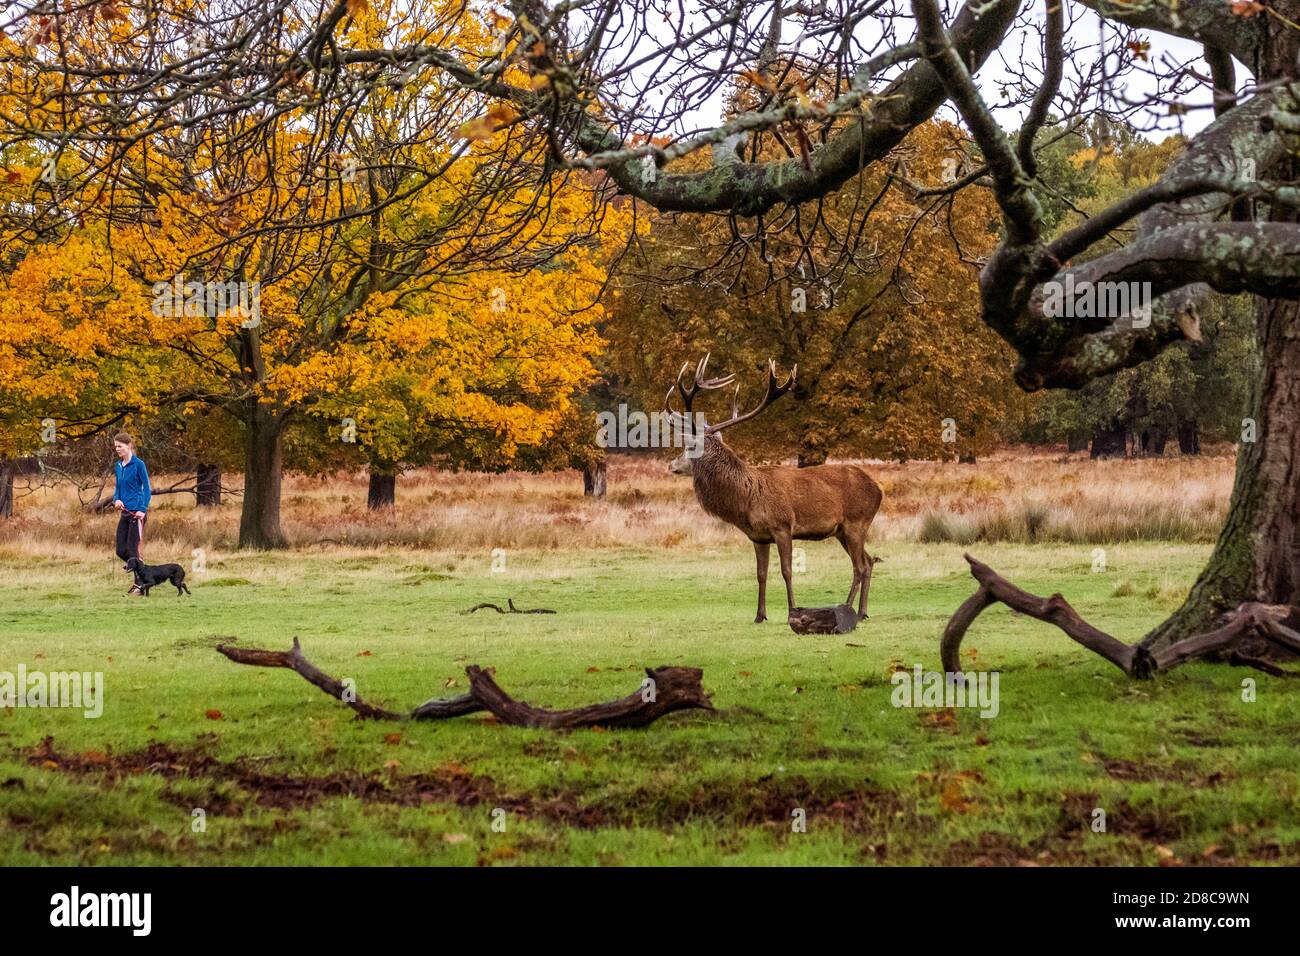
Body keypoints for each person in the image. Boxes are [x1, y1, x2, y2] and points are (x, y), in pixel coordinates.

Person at [112, 432, 152, 594]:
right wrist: (117, 500)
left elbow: (147, 489)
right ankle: (143, 572)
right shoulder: (118, 466)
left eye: (120, 446)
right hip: (125, 512)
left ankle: (140, 586)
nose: (117, 450)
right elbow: (118, 487)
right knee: (121, 550)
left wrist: (143, 509)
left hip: (137, 513)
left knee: (132, 549)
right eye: (115, 447)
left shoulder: (139, 464)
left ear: (129, 446)